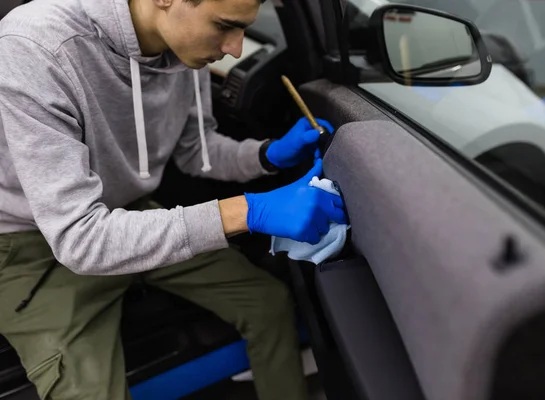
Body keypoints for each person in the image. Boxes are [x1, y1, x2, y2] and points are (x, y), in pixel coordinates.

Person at [0, 0, 347, 399]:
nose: (235, 48)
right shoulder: (35, 47)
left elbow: (194, 151)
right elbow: (79, 238)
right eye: (224, 26)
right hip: (33, 246)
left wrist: (267, 155)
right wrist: (249, 210)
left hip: (128, 212)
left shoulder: (184, 49)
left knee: (268, 304)